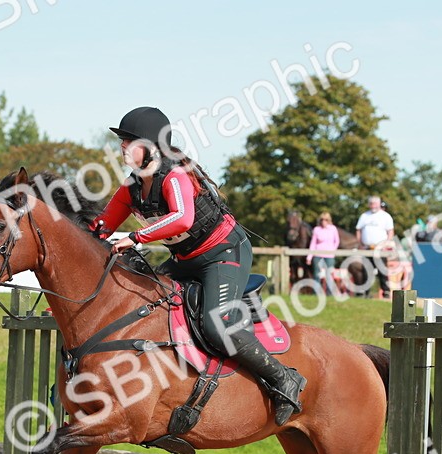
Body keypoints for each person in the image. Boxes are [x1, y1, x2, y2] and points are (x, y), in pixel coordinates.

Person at [93, 106, 305, 424]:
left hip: (224, 254)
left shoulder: (175, 175)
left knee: (216, 323)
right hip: (185, 260)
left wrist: (135, 237)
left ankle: (284, 379)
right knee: (143, 306)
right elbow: (101, 227)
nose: (122, 146)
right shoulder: (132, 186)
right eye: (122, 141)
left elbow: (182, 218)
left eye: (128, 140)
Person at [355, 196, 395, 298]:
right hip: (367, 248)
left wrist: (386, 244)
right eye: (371, 203)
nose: (373, 206)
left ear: (379, 204)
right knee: (366, 270)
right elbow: (358, 230)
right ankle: (365, 292)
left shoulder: (385, 216)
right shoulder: (364, 216)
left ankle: (385, 292)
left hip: (380, 249)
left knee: (382, 270)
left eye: (375, 203)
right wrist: (360, 244)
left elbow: (390, 231)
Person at [306, 212, 340, 295]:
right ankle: (316, 292)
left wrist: (333, 251)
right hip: (318, 254)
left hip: (329, 255)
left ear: (329, 220)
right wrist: (309, 257)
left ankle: (329, 292)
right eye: (322, 220)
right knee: (317, 274)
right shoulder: (317, 229)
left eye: (326, 220)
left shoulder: (333, 229)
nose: (323, 221)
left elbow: (337, 241)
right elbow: (313, 244)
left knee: (329, 274)